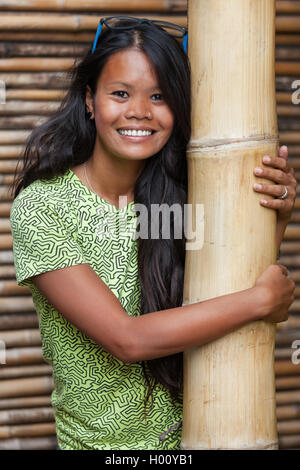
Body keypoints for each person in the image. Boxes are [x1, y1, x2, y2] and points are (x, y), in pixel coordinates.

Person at [9, 17, 297, 451]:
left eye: (159, 96)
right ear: (90, 100)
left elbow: (228, 291)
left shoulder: (182, 197)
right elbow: (127, 339)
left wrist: (278, 214)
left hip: (202, 436)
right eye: (120, 93)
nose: (140, 112)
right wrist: (259, 301)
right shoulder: (44, 208)